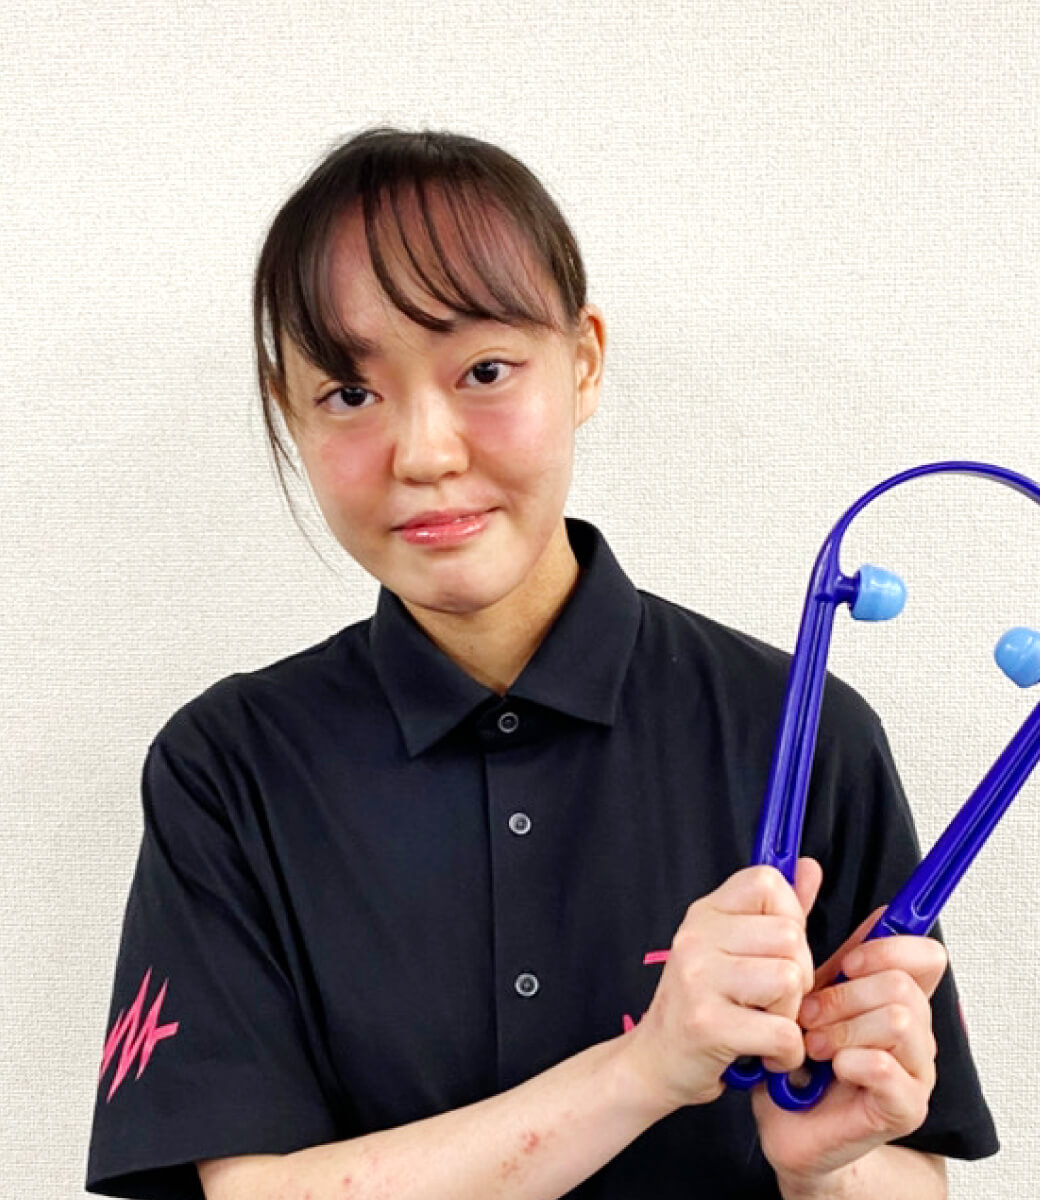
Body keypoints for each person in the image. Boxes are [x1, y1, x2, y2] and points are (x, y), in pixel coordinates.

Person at [85, 126, 998, 1200]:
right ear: (289, 410)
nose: (426, 453)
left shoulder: (802, 731)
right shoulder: (229, 765)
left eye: (484, 371)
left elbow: (907, 1175)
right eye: (348, 394)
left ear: (583, 362)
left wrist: (823, 1172)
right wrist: (646, 1070)